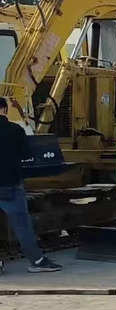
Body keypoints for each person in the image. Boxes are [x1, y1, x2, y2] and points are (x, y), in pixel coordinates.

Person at [0, 97, 61, 273]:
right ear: (5, 110)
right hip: (10, 185)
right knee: (21, 225)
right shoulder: (15, 130)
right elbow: (28, 154)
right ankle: (37, 261)